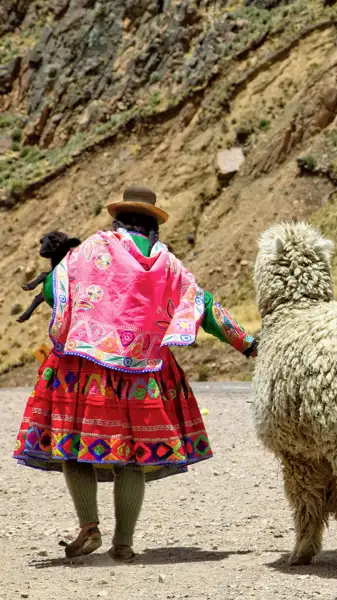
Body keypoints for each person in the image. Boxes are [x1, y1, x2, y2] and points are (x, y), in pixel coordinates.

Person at [12, 185, 257, 561]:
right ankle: (123, 544)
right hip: (147, 374)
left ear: (119, 220)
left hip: (87, 368)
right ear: (153, 227)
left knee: (75, 449)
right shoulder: (169, 264)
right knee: (131, 455)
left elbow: (53, 287)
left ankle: (89, 526)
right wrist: (247, 343)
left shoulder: (94, 248)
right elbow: (204, 306)